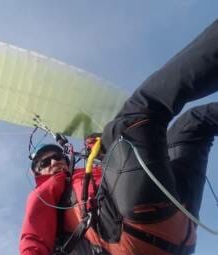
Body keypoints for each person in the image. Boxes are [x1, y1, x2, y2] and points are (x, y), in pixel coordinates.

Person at [19, 19, 218, 255]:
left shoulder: (86, 178)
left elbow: (122, 177)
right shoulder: (46, 193)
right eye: (45, 162)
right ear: (37, 173)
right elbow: (32, 239)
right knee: (137, 115)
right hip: (126, 236)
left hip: (177, 228)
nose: (54, 162)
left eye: (56, 156)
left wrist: (101, 149)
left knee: (194, 123)